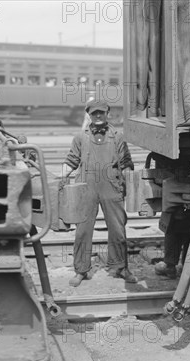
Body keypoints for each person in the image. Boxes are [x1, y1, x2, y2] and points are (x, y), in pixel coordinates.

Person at [61, 99, 137, 287]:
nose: (97, 116)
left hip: (111, 187)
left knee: (118, 230)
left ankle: (121, 267)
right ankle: (81, 270)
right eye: (94, 113)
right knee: (82, 232)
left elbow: (126, 163)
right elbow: (71, 161)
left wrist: (130, 184)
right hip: (87, 188)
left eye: (101, 113)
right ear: (89, 114)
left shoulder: (118, 137)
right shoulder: (80, 138)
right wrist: (60, 179)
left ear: (107, 114)